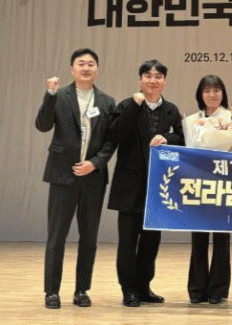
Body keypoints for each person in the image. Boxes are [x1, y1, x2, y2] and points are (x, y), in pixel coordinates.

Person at [35, 49, 116, 309]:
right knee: (56, 236)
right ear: (72, 69)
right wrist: (49, 95)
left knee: (89, 238)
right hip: (62, 174)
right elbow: (43, 125)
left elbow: (111, 141)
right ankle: (51, 292)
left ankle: (82, 290)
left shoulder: (106, 101)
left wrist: (95, 163)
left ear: (97, 69)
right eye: (81, 63)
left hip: (93, 178)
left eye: (91, 64)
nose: (86, 68)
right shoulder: (60, 96)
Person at [108, 60, 184, 307]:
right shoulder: (126, 105)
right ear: (140, 80)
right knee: (128, 243)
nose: (153, 80)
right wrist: (134, 106)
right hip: (129, 186)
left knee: (151, 243)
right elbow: (117, 135)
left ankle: (144, 287)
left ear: (164, 81)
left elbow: (184, 138)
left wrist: (168, 137)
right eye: (148, 76)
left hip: (159, 187)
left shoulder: (171, 110)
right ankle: (128, 290)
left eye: (158, 76)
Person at [185, 75, 232, 304]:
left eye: (217, 90)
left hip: (224, 183)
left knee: (221, 238)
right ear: (200, 94)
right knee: (198, 237)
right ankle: (197, 289)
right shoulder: (191, 120)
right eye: (207, 90)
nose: (212, 95)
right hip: (198, 183)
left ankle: (218, 289)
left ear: (223, 93)